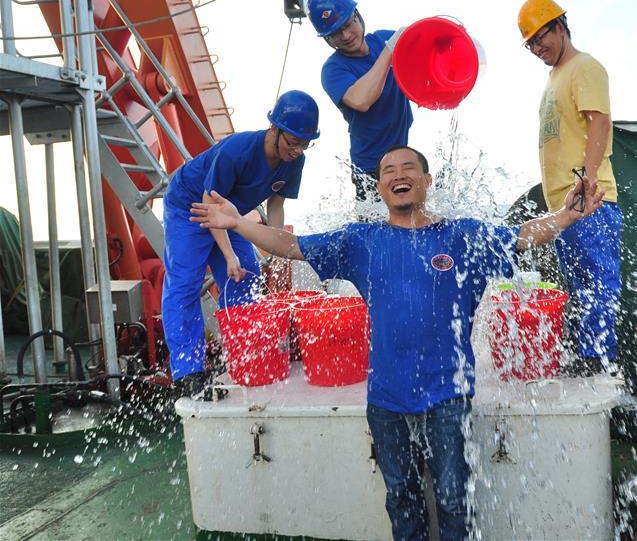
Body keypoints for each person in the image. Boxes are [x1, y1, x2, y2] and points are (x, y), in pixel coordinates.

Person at [189, 146, 604, 540]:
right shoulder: (361, 241)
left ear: (426, 179)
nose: (398, 175)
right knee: (401, 499)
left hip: (449, 396)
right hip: (386, 400)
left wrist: (566, 217)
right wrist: (239, 223)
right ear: (380, 187)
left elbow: (522, 236)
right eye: (388, 170)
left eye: (408, 168)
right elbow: (291, 247)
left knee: (455, 500)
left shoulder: (463, 236)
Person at [161, 90, 320, 396]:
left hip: (229, 213)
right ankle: (187, 371)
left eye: (305, 143)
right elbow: (210, 206)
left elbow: (276, 205)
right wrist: (228, 255)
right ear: (273, 129)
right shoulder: (238, 149)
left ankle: (243, 355)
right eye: (293, 141)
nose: (298, 150)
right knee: (186, 282)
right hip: (191, 206)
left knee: (247, 274)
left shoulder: (295, 161)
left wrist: (276, 249)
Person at [518, 0, 623, 372]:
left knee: (599, 284)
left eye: (540, 38)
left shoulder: (584, 66)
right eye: (529, 43)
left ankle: (599, 363)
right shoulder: (553, 78)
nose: (536, 48)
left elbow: (599, 120)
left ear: (560, 26)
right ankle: (586, 358)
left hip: (590, 200)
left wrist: (590, 178)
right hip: (565, 209)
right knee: (580, 288)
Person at [307, 0, 413, 202]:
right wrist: (390, 51)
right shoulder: (333, 69)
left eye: (347, 24)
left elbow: (425, 64)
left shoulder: (382, 39)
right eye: (334, 33)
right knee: (373, 233)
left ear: (358, 16)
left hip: (402, 157)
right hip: (369, 171)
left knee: (415, 226)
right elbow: (362, 100)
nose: (345, 35)